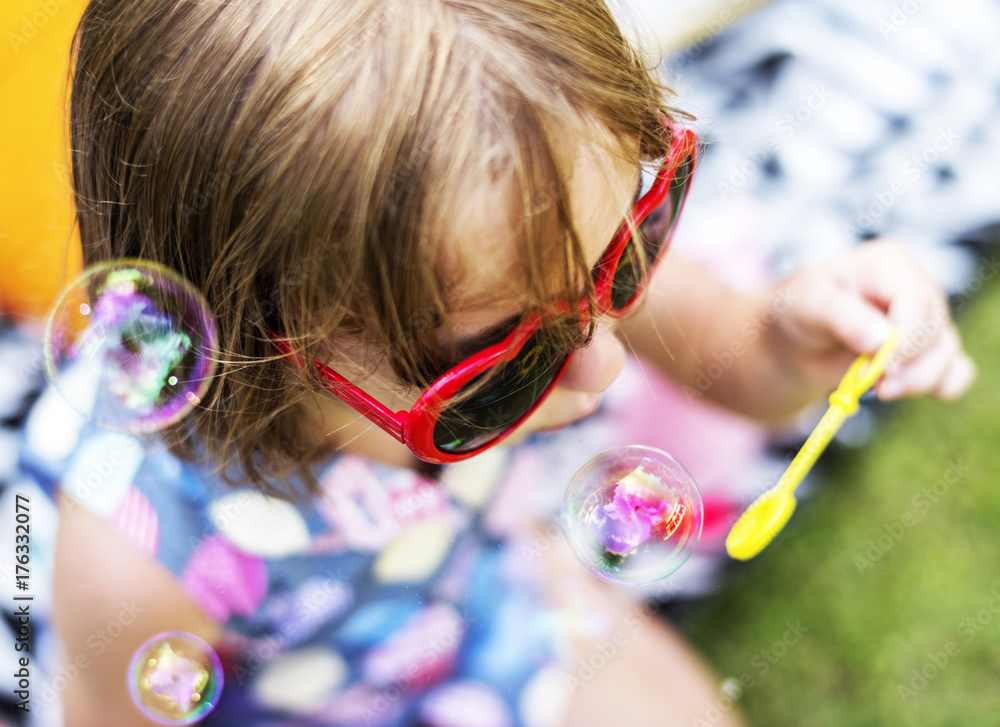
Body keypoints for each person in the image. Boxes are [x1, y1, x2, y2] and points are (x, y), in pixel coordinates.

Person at [33, 0, 975, 725]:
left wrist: (800, 336)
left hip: (503, 612)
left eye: (632, 247)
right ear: (256, 346)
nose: (604, 363)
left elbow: (750, 372)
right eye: (497, 365)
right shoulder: (135, 551)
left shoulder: (548, 250)